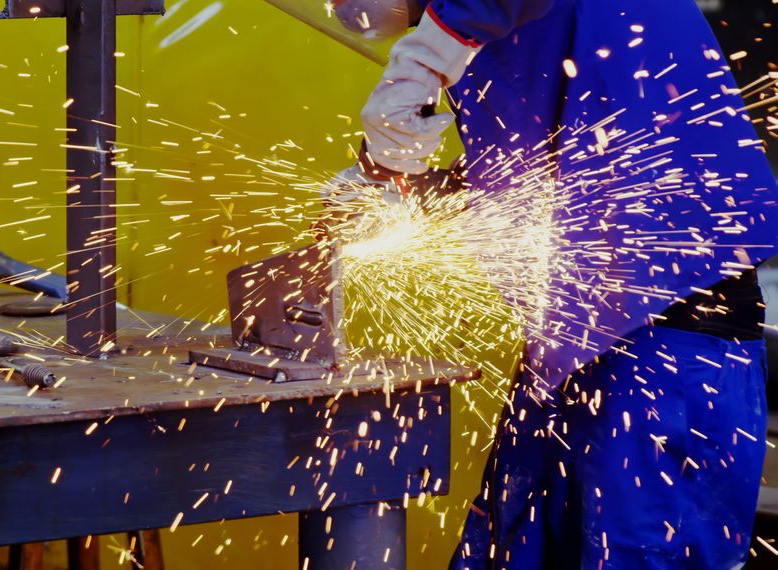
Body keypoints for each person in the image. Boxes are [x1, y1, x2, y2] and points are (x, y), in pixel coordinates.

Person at [331, 1, 778, 567]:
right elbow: (561, 168)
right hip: (582, 350)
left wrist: (419, 65)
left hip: (665, 356)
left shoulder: (469, 19)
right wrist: (413, 192)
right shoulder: (502, 31)